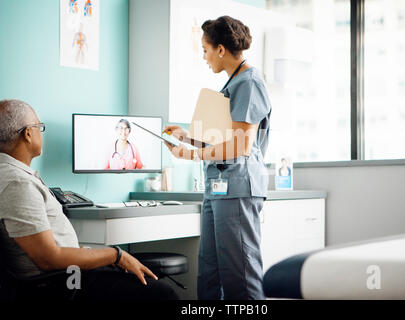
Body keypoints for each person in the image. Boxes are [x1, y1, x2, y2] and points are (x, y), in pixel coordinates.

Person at [0, 99, 178, 300]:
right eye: (40, 127)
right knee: (162, 294)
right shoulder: (18, 183)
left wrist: (97, 256)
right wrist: (115, 255)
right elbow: (48, 259)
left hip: (63, 276)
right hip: (59, 283)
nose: (42, 133)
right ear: (28, 133)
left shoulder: (13, 175)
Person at [163, 16, 271, 300]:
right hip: (218, 189)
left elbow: (240, 145)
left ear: (221, 49)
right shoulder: (232, 84)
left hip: (237, 188)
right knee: (209, 273)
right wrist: (187, 136)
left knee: (240, 277)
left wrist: (192, 153)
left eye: (205, 49)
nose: (204, 56)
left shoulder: (249, 82)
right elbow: (222, 136)